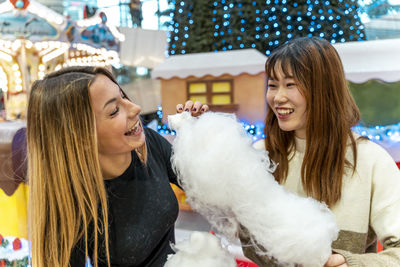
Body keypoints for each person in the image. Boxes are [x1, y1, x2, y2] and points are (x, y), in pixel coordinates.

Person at [239, 37, 400, 266]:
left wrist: (349, 263)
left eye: (290, 84)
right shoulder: (260, 156)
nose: (278, 97)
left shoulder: (371, 161)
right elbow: (249, 242)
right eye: (273, 85)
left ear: (323, 89)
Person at [27, 66, 208, 267]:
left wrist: (199, 138)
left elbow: (208, 190)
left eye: (123, 97)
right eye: (114, 110)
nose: (135, 108)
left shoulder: (151, 145)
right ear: (81, 137)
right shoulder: (73, 205)